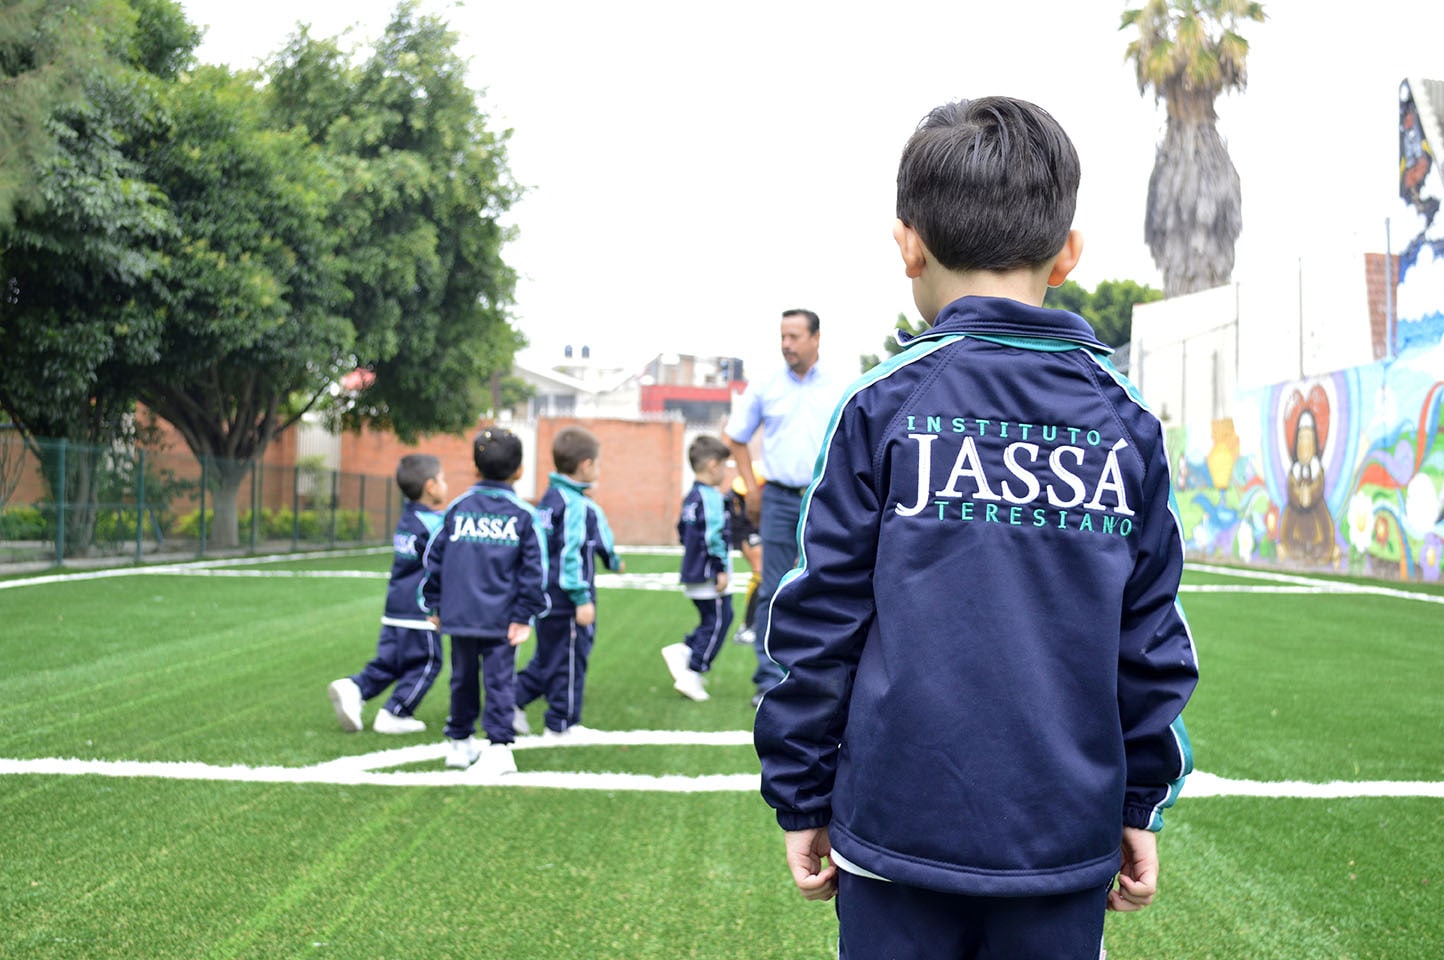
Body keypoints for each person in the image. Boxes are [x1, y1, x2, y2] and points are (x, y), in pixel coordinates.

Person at [753, 96, 1199, 960]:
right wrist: (1139, 800)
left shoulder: (879, 405)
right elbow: (1151, 638)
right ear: (1069, 254)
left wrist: (801, 794)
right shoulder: (1128, 422)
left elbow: (814, 622)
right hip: (1061, 839)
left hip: (895, 830)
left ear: (906, 242)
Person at [726, 309, 846, 705]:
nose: (786, 345)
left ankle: (819, 678)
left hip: (824, 497)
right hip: (776, 499)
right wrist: (753, 491)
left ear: (816, 338)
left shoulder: (840, 384)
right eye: (782, 336)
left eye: (794, 336)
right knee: (773, 589)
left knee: (827, 586)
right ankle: (768, 681)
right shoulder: (764, 385)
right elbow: (736, 437)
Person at [422, 427, 548, 776]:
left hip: (459, 616)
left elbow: (434, 559)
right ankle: (499, 748)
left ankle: (459, 744)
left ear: (475, 468)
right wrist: (525, 615)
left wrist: (434, 605)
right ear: (519, 471)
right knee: (499, 681)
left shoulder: (456, 509)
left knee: (461, 678)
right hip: (502, 620)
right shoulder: (524, 516)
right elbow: (534, 569)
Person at [327, 454, 449, 735]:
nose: (446, 484)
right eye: (442, 479)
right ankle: (396, 711)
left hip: (395, 607)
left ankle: (355, 687)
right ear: (430, 486)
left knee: (391, 662)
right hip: (421, 610)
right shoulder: (434, 524)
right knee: (428, 661)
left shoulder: (407, 518)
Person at [515, 425, 623, 738]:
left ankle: (513, 700)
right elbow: (569, 555)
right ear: (585, 465)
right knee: (571, 660)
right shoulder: (575, 504)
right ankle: (561, 724)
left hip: (545, 595)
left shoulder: (550, 498)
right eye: (598, 464)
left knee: (551, 657)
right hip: (566, 599)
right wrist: (581, 598)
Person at [661, 435, 733, 701]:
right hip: (708, 574)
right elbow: (713, 536)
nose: (725, 473)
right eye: (725, 466)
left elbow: (682, 530)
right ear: (713, 465)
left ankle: (684, 650)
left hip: (692, 570)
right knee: (719, 620)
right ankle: (693, 671)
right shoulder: (711, 498)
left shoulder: (690, 496)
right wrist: (720, 568)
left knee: (710, 620)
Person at [725, 470, 764, 645]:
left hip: (763, 533)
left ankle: (756, 624)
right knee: (760, 571)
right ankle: (747, 625)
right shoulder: (733, 498)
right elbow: (738, 530)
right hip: (746, 534)